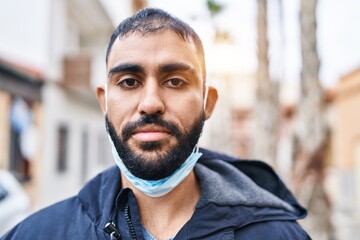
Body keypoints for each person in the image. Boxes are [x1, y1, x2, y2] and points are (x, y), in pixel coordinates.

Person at [1, 8, 311, 240]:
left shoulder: (278, 235)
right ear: (104, 103)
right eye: (129, 81)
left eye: (175, 81)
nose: (150, 103)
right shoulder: (38, 234)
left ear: (208, 103)